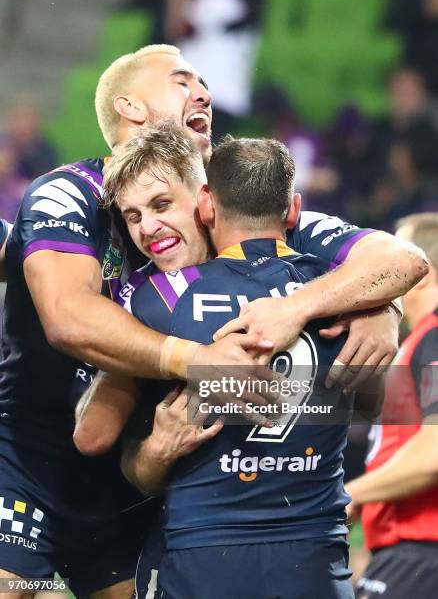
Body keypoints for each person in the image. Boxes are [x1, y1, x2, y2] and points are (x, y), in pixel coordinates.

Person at [0, 42, 426, 595]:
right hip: (36, 460)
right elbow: (68, 318)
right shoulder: (68, 194)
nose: (203, 92)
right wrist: (200, 360)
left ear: (204, 204)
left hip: (141, 478)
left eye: (160, 206)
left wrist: (373, 305)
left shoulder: (232, 205)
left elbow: (398, 261)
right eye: (182, 81)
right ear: (129, 107)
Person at [97, 128, 387, 599]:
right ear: (293, 209)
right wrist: (383, 310)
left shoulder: (160, 302)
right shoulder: (342, 294)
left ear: (206, 205)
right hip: (315, 557)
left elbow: (101, 440)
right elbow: (371, 404)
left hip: (205, 555)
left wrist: (151, 452)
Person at [346, 212, 438, 599]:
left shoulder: (434, 339)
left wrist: (350, 494)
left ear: (424, 271)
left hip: (420, 553)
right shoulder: (423, 339)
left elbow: (433, 453)